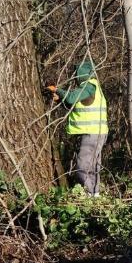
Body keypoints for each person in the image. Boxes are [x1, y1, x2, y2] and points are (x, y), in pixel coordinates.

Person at [46, 61, 108, 196]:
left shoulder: (88, 87)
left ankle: (89, 194)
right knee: (92, 166)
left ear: (80, 74)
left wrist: (57, 90)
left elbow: (71, 98)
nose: (74, 77)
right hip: (95, 132)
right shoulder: (90, 87)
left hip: (93, 133)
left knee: (83, 166)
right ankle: (94, 194)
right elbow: (74, 106)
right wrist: (59, 99)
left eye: (75, 74)